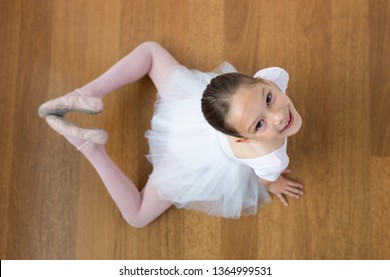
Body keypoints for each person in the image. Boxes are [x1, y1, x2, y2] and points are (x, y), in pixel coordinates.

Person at [38, 41, 303, 228]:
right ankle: (90, 147)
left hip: (187, 111)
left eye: (269, 98)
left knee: (151, 51)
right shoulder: (272, 160)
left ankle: (87, 94)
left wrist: (253, 117)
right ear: (244, 139)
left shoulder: (274, 76)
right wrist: (274, 183)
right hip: (191, 163)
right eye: (259, 124)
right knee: (137, 217)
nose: (279, 116)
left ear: (267, 82)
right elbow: (265, 180)